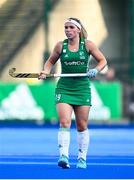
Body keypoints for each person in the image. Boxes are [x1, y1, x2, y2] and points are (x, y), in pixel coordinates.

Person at [39, 17, 107, 169]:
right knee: (64, 122)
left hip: (82, 88)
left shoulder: (88, 45)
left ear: (78, 29)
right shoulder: (60, 46)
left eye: (70, 27)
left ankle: (82, 158)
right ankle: (64, 156)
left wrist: (96, 70)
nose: (67, 30)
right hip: (64, 88)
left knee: (82, 125)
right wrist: (45, 71)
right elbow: (50, 62)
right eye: (66, 27)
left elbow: (103, 60)